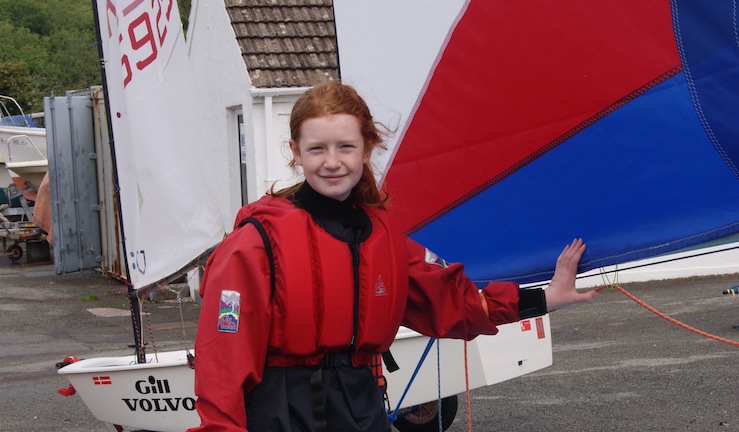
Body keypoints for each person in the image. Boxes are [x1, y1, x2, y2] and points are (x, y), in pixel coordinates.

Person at [188, 82, 597, 432]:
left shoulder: (381, 237)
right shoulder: (256, 241)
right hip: (282, 413)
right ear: (296, 151)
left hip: (361, 407)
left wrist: (545, 297)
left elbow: (451, 301)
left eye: (345, 146)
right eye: (317, 149)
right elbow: (223, 359)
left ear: (367, 148)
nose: (332, 162)